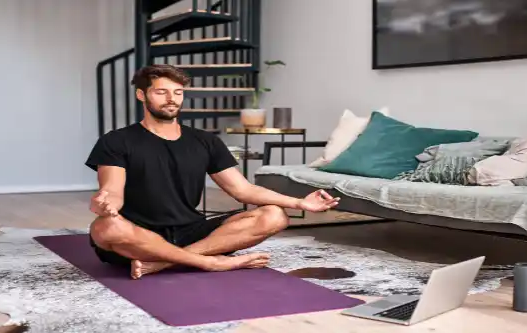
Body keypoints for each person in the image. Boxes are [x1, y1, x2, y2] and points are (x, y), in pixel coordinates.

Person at [85, 64, 340, 279]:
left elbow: (243, 190)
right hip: (138, 236)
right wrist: (105, 203)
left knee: (275, 216)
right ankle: (210, 262)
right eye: (161, 92)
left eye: (178, 92)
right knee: (105, 228)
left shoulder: (205, 141)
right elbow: (112, 190)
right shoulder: (116, 141)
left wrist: (299, 202)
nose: (172, 99)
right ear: (142, 95)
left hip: (189, 231)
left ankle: (166, 262)